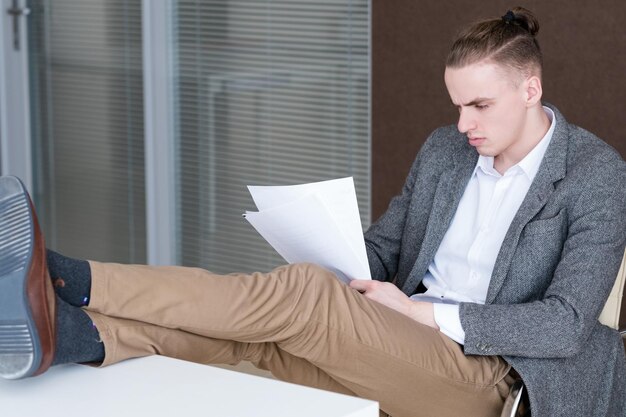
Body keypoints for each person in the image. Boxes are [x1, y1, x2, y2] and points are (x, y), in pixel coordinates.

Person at [1, 6, 625, 417]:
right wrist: (337, 253)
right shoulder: (446, 150)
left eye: (479, 107)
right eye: (457, 105)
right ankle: (78, 336)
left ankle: (66, 275)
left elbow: (563, 324)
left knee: (298, 298)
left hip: (492, 378)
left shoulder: (597, 177)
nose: (462, 124)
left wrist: (419, 312)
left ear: (530, 89)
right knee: (264, 334)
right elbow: (386, 249)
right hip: (398, 336)